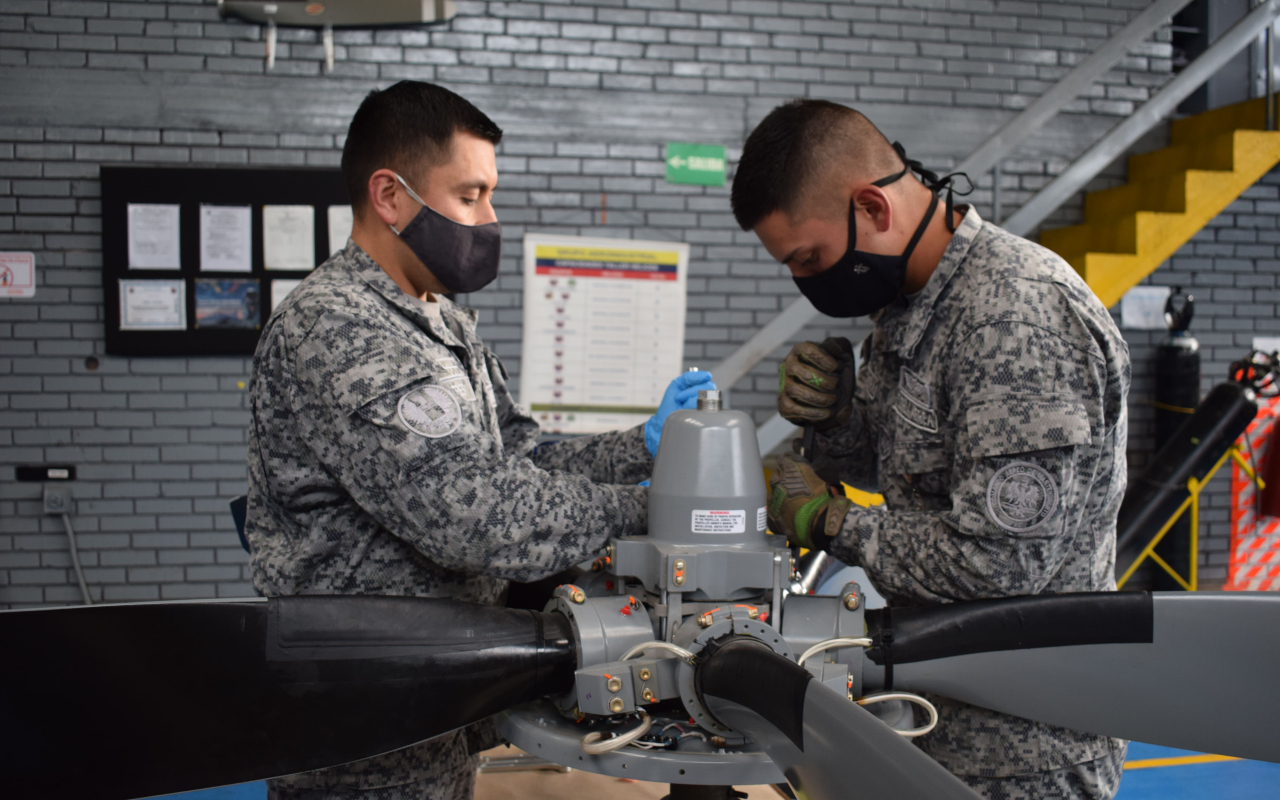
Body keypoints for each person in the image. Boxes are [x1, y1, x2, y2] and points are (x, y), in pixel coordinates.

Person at [245, 81, 713, 800]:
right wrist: (644, 513)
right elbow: (472, 514)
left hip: (433, 698)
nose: (489, 218)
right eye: (470, 196)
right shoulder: (333, 327)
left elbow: (520, 458)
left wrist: (648, 448)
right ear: (390, 196)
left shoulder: (440, 322)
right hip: (360, 719)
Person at [736, 100, 1131, 800]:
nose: (807, 282)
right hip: (936, 714)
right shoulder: (912, 304)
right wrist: (837, 425)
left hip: (1020, 747)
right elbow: (916, 471)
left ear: (872, 207)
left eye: (811, 259)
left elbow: (1001, 566)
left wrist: (834, 521)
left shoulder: (1011, 317)